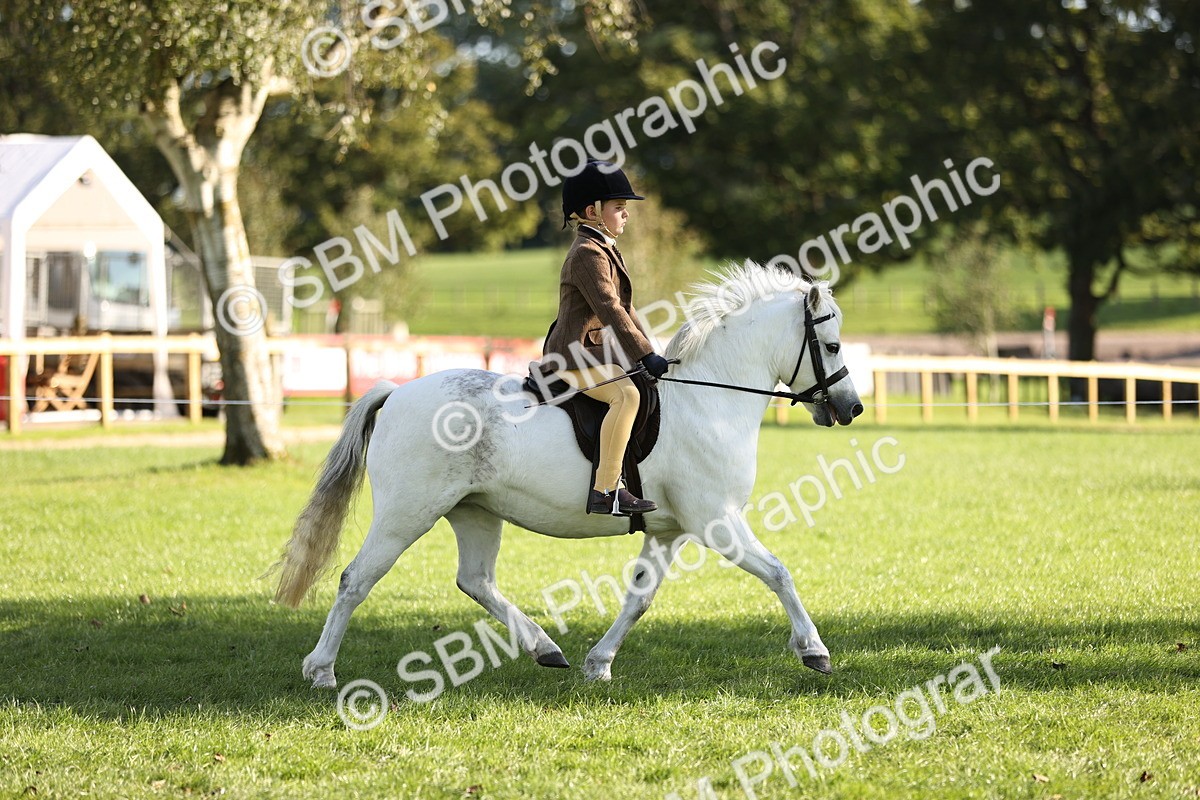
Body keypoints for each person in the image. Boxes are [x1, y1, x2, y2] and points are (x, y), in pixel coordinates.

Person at [537, 160, 670, 516]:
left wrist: (650, 352)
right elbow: (610, 309)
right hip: (573, 355)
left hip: (595, 353)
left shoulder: (604, 248)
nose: (626, 214)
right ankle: (606, 490)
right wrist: (643, 355)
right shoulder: (586, 254)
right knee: (625, 395)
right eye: (619, 207)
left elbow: (627, 309)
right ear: (592, 212)